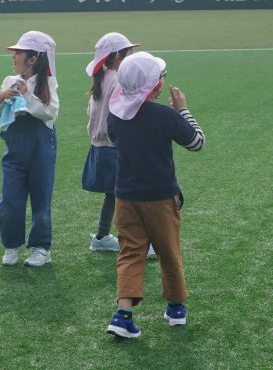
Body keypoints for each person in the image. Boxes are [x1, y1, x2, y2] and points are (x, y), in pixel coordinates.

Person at [104, 51, 205, 338]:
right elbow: (197, 143)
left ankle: (123, 315)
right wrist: (182, 110)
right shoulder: (165, 115)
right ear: (156, 85)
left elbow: (114, 139)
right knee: (169, 252)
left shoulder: (116, 115)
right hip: (161, 197)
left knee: (130, 253)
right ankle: (176, 308)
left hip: (126, 197)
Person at [0, 31, 59, 267]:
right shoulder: (10, 80)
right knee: (9, 200)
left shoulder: (47, 82)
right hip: (14, 149)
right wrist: (2, 96)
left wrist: (27, 95)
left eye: (18, 53)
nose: (14, 57)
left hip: (42, 148)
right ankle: (12, 245)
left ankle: (41, 247)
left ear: (33, 59)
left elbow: (50, 112)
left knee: (41, 197)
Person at [82, 32, 137, 253]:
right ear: (117, 57)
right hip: (114, 148)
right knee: (126, 193)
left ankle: (102, 235)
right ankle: (135, 239)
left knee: (114, 194)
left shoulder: (102, 79)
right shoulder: (118, 81)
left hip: (100, 147)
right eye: (128, 54)